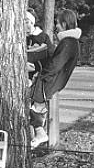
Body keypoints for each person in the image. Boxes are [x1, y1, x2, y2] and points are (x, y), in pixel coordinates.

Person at [29, 8, 81, 148]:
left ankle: (40, 133)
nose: (56, 26)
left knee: (32, 105)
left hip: (49, 82)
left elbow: (55, 65)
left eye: (58, 23)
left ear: (64, 24)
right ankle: (38, 133)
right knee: (35, 106)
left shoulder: (68, 42)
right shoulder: (71, 42)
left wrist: (41, 74)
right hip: (52, 80)